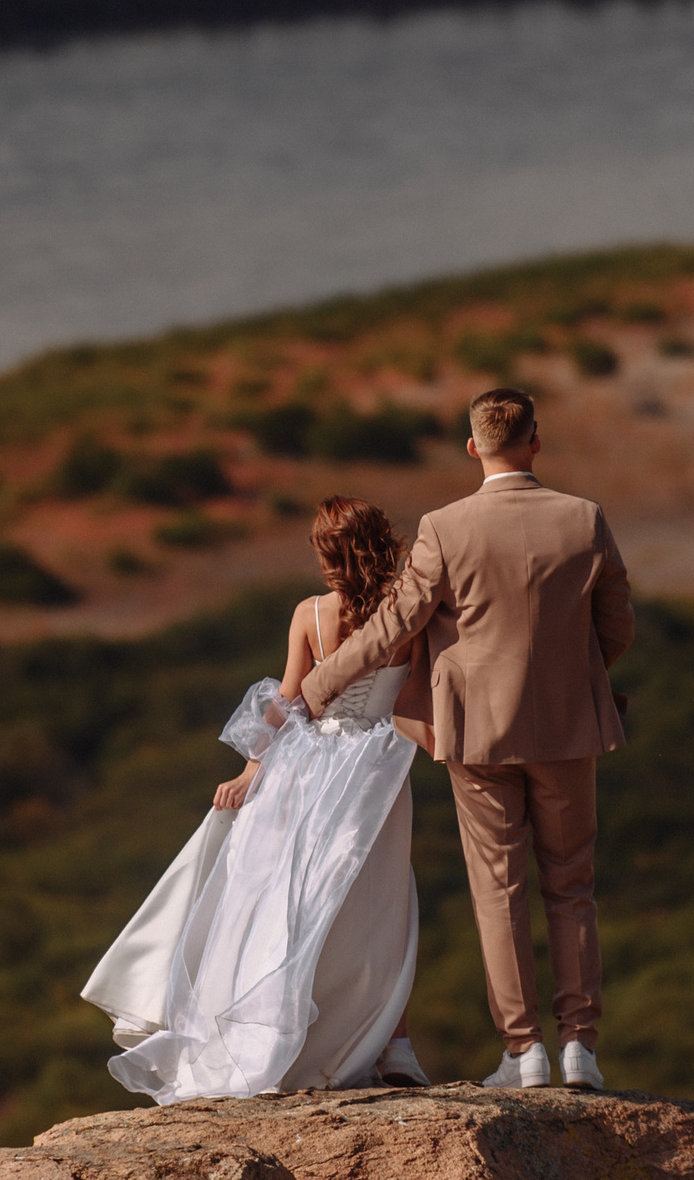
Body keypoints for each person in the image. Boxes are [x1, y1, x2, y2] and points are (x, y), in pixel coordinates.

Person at [300, 387, 633, 1092]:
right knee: (572, 883)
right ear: (535, 441)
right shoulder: (585, 519)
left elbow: (396, 625)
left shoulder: (445, 528)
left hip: (477, 734)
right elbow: (618, 626)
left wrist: (321, 681)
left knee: (498, 891)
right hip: (570, 728)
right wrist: (574, 680)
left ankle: (524, 1052)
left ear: (473, 447)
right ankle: (581, 1047)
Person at [82, 496, 437, 1103]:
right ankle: (388, 1045)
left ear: (331, 556)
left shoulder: (311, 614)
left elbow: (288, 702)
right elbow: (420, 694)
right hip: (376, 768)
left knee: (287, 898)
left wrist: (253, 768)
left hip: (309, 766)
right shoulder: (409, 615)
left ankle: (294, 1036)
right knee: (378, 898)